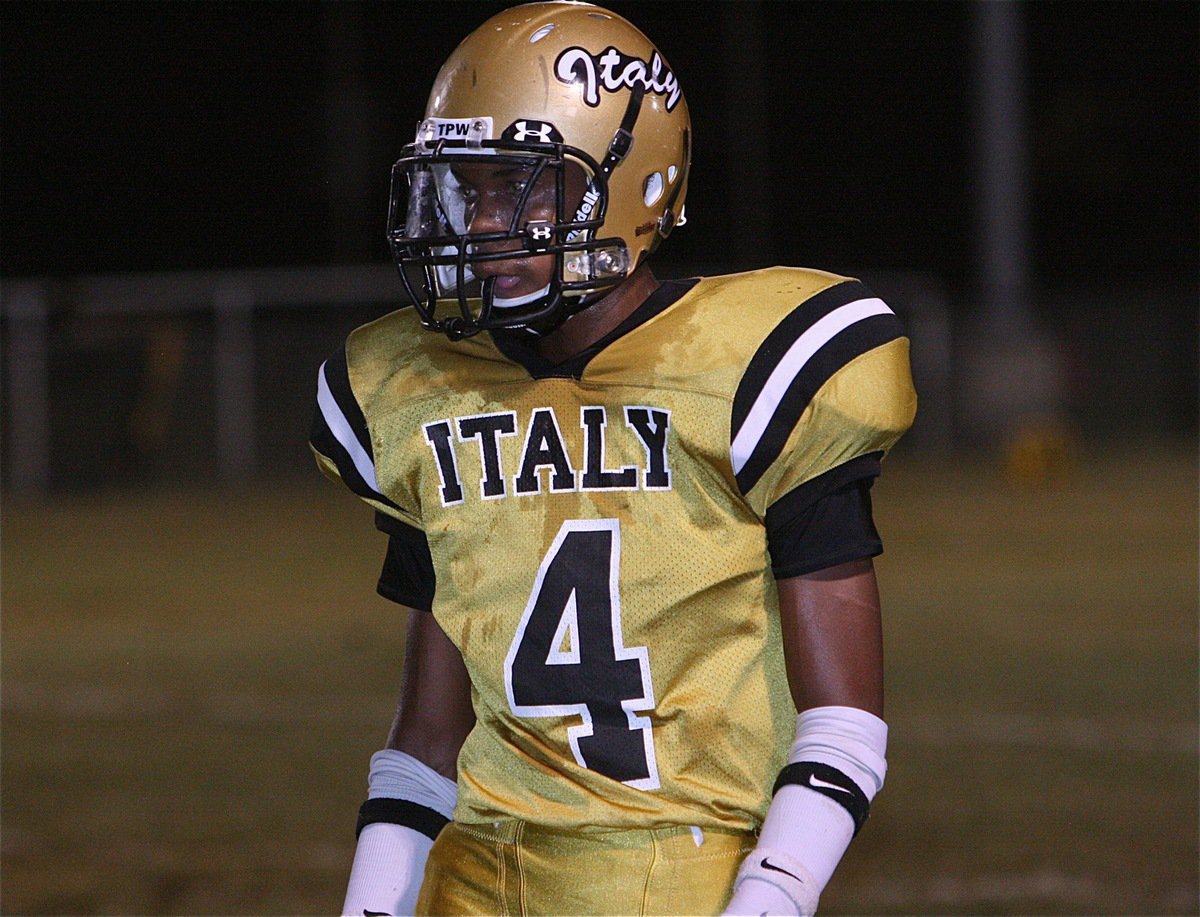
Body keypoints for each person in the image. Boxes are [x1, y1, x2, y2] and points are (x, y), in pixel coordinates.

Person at [310, 3, 916, 914]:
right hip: (472, 878)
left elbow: (844, 725)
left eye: (525, 189)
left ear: (633, 182)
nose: (484, 224)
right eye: (469, 189)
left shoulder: (755, 368)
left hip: (680, 876)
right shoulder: (423, 392)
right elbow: (427, 741)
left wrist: (774, 894)